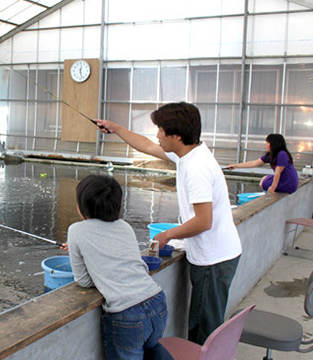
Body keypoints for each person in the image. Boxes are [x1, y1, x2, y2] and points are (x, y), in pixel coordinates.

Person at [95, 102, 242, 345]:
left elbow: (204, 221)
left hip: (213, 259)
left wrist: (168, 235)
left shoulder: (196, 167)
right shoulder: (188, 153)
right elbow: (147, 145)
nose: (157, 135)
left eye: (161, 130)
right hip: (216, 253)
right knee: (203, 320)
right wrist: (116, 128)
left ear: (176, 135)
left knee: (203, 326)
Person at [64, 175, 171, 359]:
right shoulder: (125, 226)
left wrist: (89, 261)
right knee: (152, 349)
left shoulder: (75, 230)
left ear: (83, 206)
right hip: (157, 301)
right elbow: (129, 261)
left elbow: (83, 281)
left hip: (126, 314)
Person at [226, 134, 299, 193]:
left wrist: (273, 187)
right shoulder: (270, 155)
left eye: (267, 143)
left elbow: (278, 172)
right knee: (264, 178)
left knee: (263, 183)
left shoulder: (281, 154)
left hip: (288, 182)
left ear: (274, 144)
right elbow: (254, 163)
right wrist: (236, 166)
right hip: (283, 179)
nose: (266, 145)